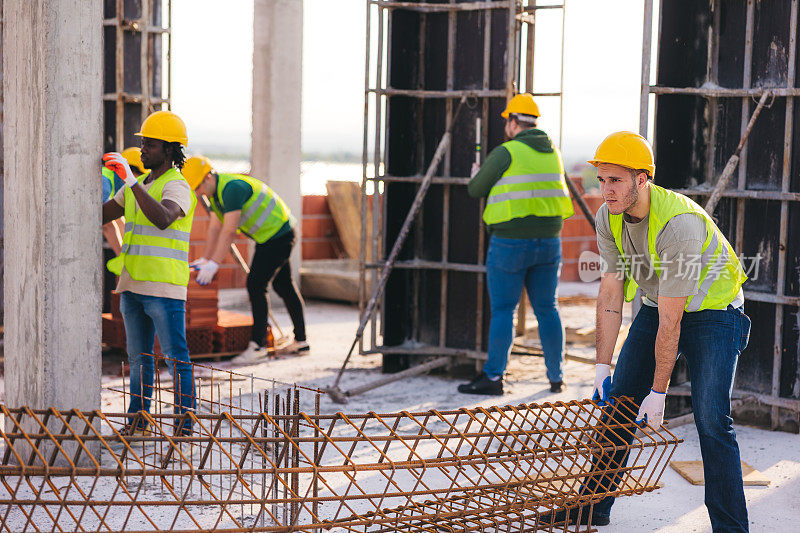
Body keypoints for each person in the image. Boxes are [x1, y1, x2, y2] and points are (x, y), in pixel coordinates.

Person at [545, 131, 750, 530]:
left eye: (615, 180)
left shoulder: (679, 224)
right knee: (618, 403)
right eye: (601, 180)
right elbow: (611, 289)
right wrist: (602, 366)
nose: (605, 190)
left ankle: (730, 527)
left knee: (711, 418)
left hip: (714, 310)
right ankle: (594, 507)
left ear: (642, 180)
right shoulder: (610, 216)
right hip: (661, 303)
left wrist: (659, 392)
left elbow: (673, 322)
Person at [458, 93, 574, 396]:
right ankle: (556, 377)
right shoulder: (554, 153)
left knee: (503, 311)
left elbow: (475, 189)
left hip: (510, 244)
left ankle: (494, 378)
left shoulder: (506, 152)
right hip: (550, 243)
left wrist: (477, 174)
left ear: (512, 122)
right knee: (548, 309)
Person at [101, 110, 197, 436]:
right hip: (133, 284)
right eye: (143, 144)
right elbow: (102, 214)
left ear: (169, 150)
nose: (142, 151)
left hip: (164, 287)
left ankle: (185, 427)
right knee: (139, 359)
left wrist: (130, 181)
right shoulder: (138, 184)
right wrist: (99, 184)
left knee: (175, 359)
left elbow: (164, 218)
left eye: (150, 145)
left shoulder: (178, 185)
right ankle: (139, 423)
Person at [181, 155, 308, 363]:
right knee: (284, 285)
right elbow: (215, 228)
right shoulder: (216, 195)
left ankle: (258, 346)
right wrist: (206, 258)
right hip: (271, 236)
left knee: (256, 285)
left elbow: (229, 231)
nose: (198, 193)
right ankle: (301, 342)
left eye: (198, 187)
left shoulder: (231, 189)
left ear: (208, 178)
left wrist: (214, 263)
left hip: (279, 235)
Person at [101, 148, 143, 313]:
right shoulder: (106, 180)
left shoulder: (113, 180)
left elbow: (119, 219)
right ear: (129, 171)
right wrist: (123, 260)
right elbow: (106, 223)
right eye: (137, 177)